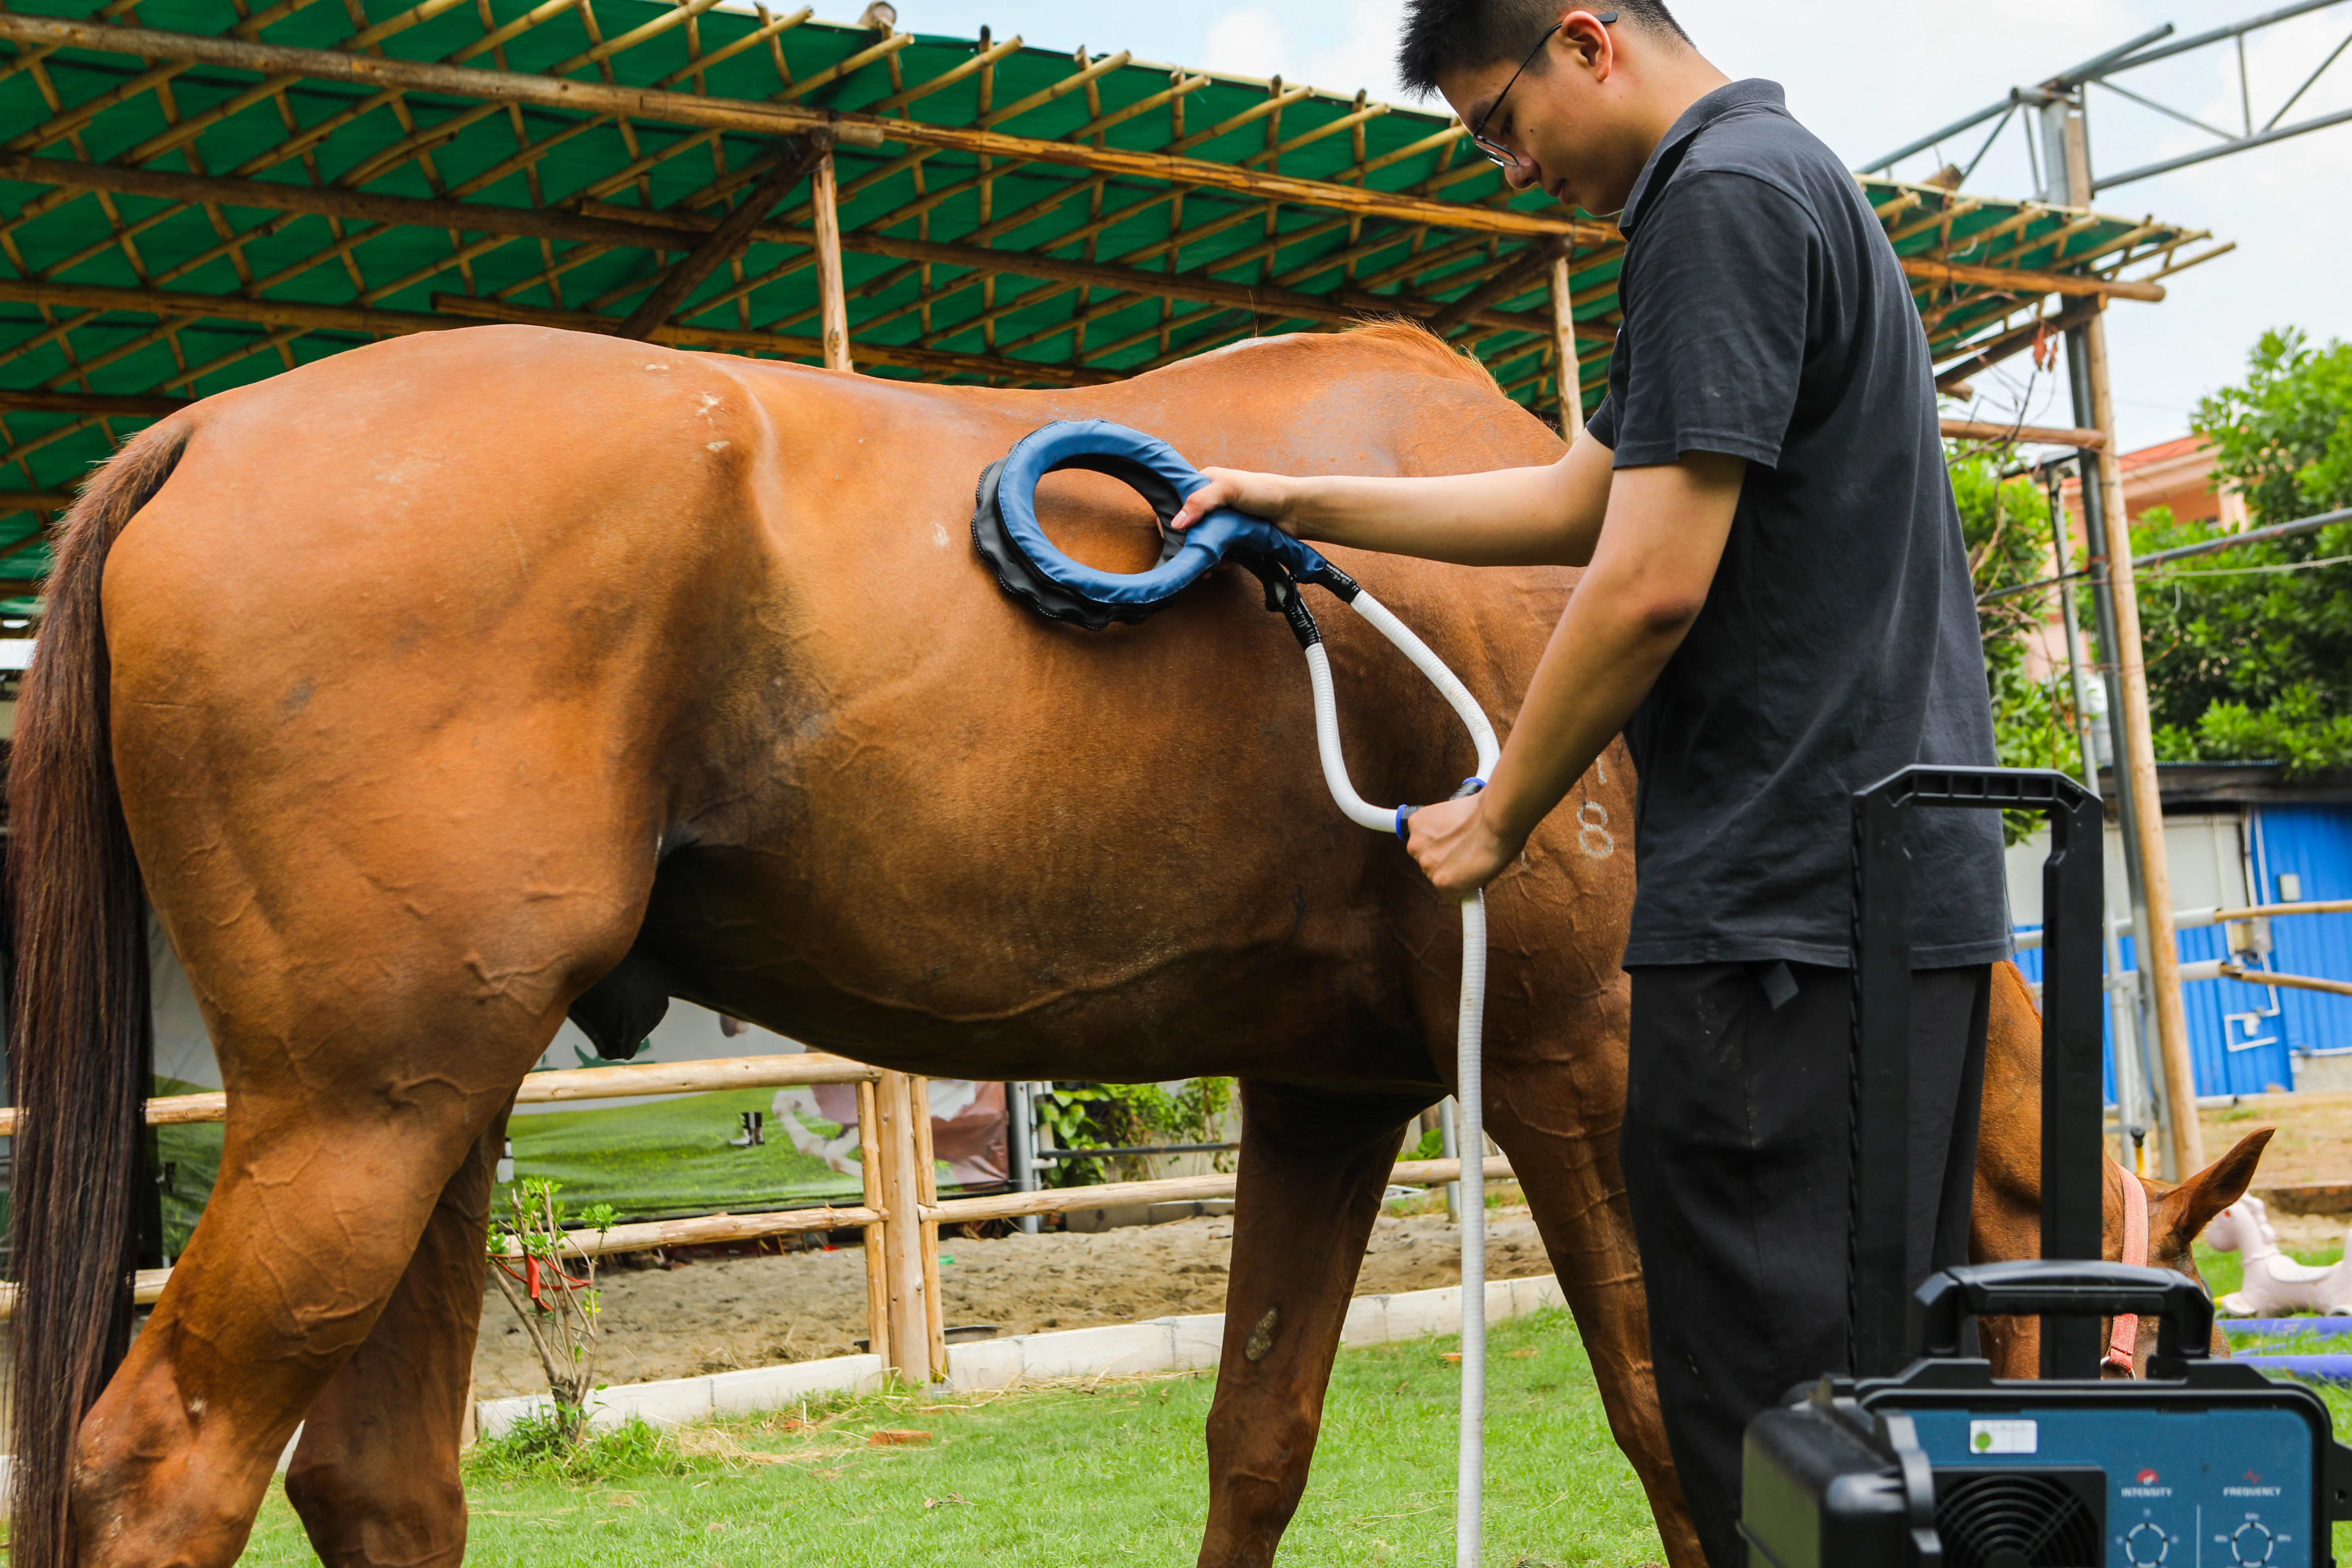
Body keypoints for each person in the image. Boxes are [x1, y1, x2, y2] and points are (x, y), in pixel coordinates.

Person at [1168, 4, 2010, 1562]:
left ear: (1584, 40)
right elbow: (1583, 494)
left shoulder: (1720, 203)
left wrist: (1501, 809)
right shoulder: (1785, 181)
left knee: (1772, 1429)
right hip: (1868, 900)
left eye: (1500, 121)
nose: (1511, 165)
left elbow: (1642, 585)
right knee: (1865, 1423)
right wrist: (1300, 498)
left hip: (1783, 920)